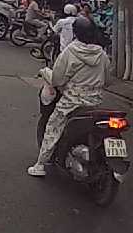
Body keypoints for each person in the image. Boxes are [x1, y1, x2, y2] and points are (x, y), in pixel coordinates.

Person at [28, 17, 111, 176]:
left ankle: (40, 165)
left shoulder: (71, 51)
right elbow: (108, 81)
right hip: (94, 104)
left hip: (71, 103)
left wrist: (45, 72)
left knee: (53, 127)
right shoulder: (102, 54)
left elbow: (57, 80)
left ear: (76, 33)